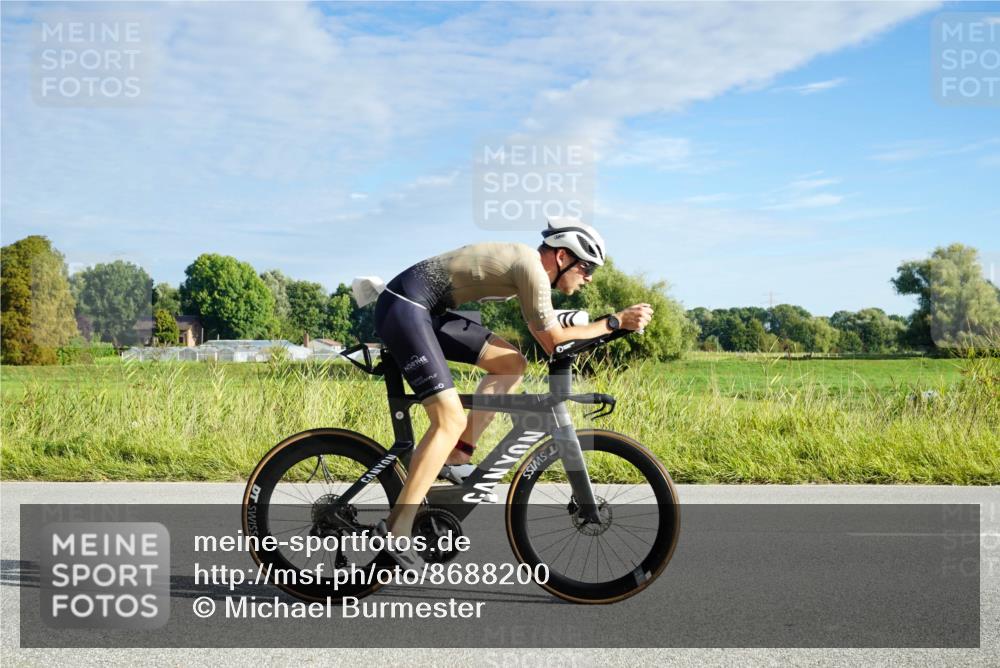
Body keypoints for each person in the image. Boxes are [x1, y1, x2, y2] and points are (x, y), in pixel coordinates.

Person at [370, 217, 653, 565]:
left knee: (511, 364)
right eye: (586, 266)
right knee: (448, 419)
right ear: (562, 257)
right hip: (405, 308)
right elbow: (553, 342)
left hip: (426, 310)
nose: (590, 276)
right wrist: (614, 321)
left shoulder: (530, 273)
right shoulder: (531, 269)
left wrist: (604, 326)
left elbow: (553, 327)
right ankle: (397, 528)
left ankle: (458, 454)